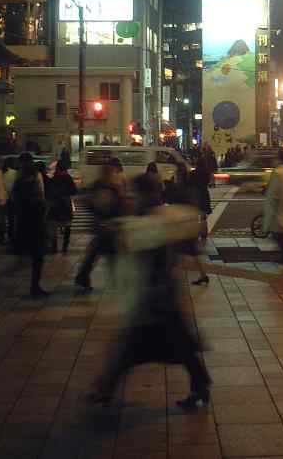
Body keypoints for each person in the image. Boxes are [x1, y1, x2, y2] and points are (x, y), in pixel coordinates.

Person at [87, 173, 211, 411]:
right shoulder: (156, 217)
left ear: (148, 194)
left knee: (135, 349)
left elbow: (138, 234)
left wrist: (114, 230)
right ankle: (200, 385)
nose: (132, 198)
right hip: (159, 298)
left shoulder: (157, 219)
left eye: (135, 194)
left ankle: (105, 389)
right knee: (178, 348)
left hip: (156, 299)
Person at [74, 160, 126, 291]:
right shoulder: (108, 187)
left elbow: (90, 202)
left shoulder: (103, 186)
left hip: (104, 224)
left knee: (100, 253)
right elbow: (116, 205)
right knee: (106, 253)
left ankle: (83, 277)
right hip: (104, 225)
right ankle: (85, 277)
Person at [164, 161, 209, 286]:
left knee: (175, 251)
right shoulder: (189, 185)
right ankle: (203, 275)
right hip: (189, 223)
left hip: (183, 224)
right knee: (191, 252)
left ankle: (171, 277)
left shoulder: (181, 187)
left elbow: (174, 200)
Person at [9, 157, 49, 297]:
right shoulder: (31, 188)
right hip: (35, 227)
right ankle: (35, 287)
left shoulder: (18, 186)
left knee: (28, 258)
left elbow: (16, 204)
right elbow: (40, 206)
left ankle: (34, 286)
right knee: (37, 259)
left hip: (23, 225)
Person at [49, 162, 77, 253]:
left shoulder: (54, 178)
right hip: (66, 204)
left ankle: (54, 247)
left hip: (55, 205)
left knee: (54, 226)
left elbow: (50, 191)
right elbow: (74, 191)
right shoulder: (68, 178)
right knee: (67, 226)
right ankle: (65, 247)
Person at [3, 157, 18, 245]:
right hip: (14, 199)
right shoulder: (14, 173)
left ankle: (10, 236)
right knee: (14, 219)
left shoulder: (3, 173)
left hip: (6, 198)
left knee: (10, 219)